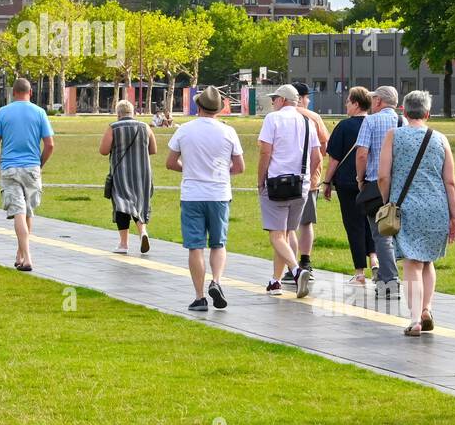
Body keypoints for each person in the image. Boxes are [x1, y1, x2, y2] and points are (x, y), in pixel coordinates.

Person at [377, 90, 455, 336]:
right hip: (437, 207)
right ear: (427, 113)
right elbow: (450, 182)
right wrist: (454, 216)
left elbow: (383, 176)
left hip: (407, 208)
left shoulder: (394, 136)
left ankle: (414, 319)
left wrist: (387, 202)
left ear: (403, 110)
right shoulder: (440, 139)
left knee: (412, 262)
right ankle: (427, 308)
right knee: (427, 261)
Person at [166, 85, 244, 312]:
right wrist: (219, 171)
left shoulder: (184, 130)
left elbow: (170, 162)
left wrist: (189, 168)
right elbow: (239, 167)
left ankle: (199, 297)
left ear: (198, 106)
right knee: (218, 244)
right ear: (218, 109)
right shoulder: (228, 132)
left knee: (195, 246)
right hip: (219, 193)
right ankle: (216, 281)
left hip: (192, 194)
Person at [257, 84, 320, 298]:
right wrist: (309, 178)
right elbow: (317, 157)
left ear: (282, 100)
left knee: (276, 235)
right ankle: (275, 281)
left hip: (276, 183)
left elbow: (265, 152)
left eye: (274, 98)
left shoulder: (272, 119)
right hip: (300, 185)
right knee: (284, 234)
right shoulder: (307, 121)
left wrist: (260, 180)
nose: (273, 102)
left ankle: (296, 270)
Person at [0, 78, 55, 272]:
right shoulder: (40, 112)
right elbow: (50, 144)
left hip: (9, 167)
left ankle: (26, 258)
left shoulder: (3, 112)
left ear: (13, 93)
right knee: (27, 212)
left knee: (19, 212)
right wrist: (39, 164)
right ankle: (21, 254)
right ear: (30, 93)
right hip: (32, 168)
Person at [322, 86, 377, 284]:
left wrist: (326, 182)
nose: (346, 105)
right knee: (371, 223)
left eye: (347, 101)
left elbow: (334, 160)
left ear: (355, 103)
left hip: (347, 183)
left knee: (353, 225)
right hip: (371, 181)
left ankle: (359, 272)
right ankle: (375, 259)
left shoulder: (344, 127)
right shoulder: (375, 123)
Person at [354, 85, 403, 295]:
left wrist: (360, 178)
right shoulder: (403, 121)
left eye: (374, 99)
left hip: (376, 182)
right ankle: (390, 277)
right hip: (401, 185)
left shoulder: (371, 121)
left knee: (380, 233)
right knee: (398, 233)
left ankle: (390, 280)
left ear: (378, 102)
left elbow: (362, 153)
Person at [99, 99, 156, 255]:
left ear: (118, 113)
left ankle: (123, 244)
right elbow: (153, 149)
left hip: (121, 173)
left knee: (121, 205)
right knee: (139, 203)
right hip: (143, 174)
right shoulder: (145, 127)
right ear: (133, 112)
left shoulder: (113, 127)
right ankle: (143, 231)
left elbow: (103, 150)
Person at [288, 81, 329, 272]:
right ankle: (305, 261)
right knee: (306, 222)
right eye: (307, 96)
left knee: (286, 226)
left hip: (282, 178)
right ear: (302, 98)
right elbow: (323, 146)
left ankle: (290, 264)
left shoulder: (276, 117)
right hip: (309, 178)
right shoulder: (313, 117)